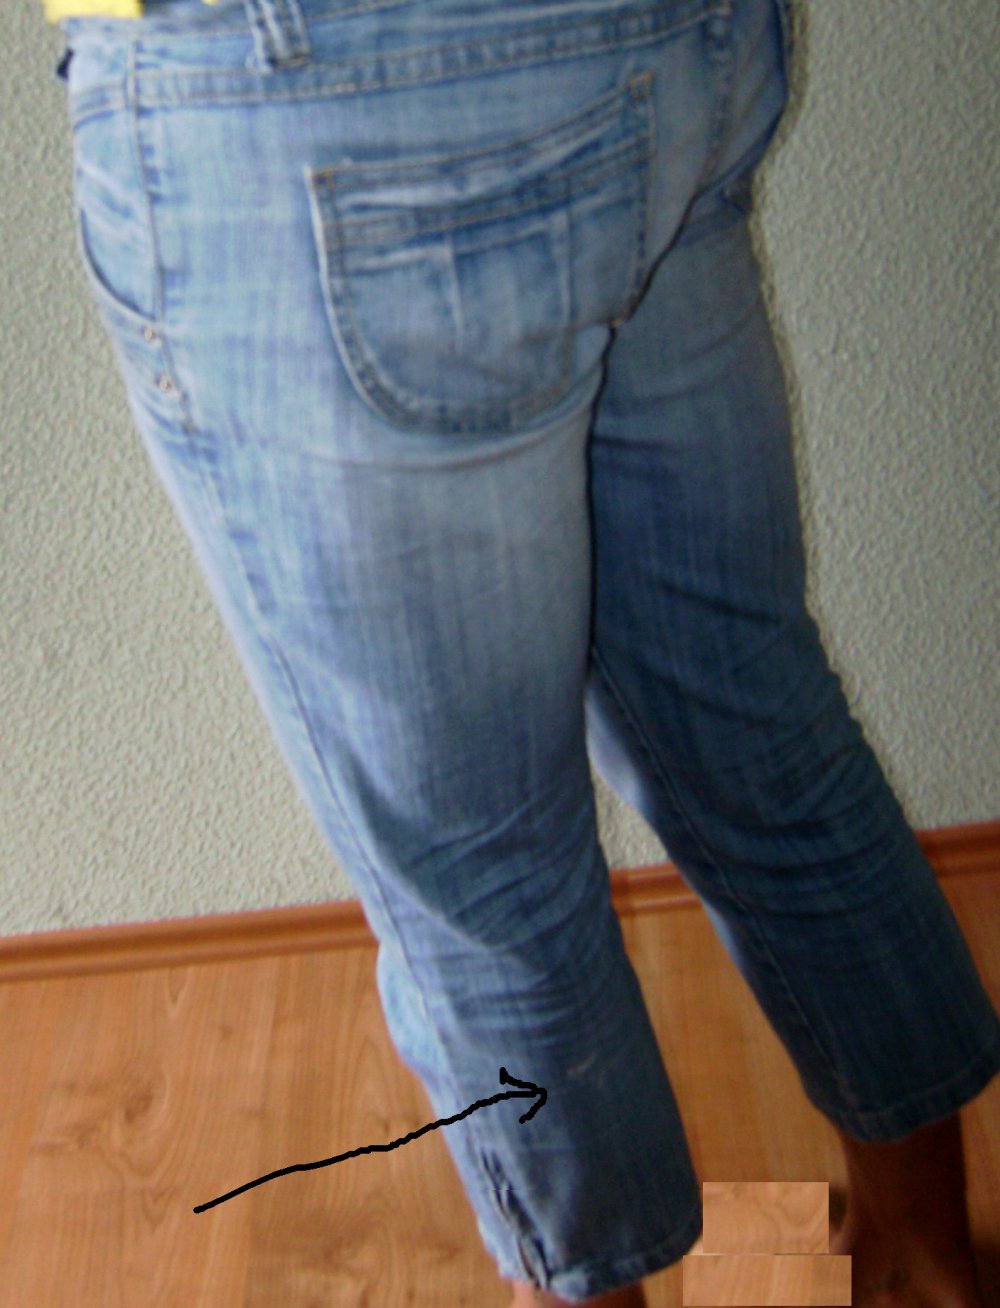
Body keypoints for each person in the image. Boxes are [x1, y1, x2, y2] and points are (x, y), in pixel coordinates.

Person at [49, 0, 999, 1303]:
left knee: (484, 874)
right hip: (656, 36)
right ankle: (925, 1262)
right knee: (748, 708)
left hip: (325, 93)